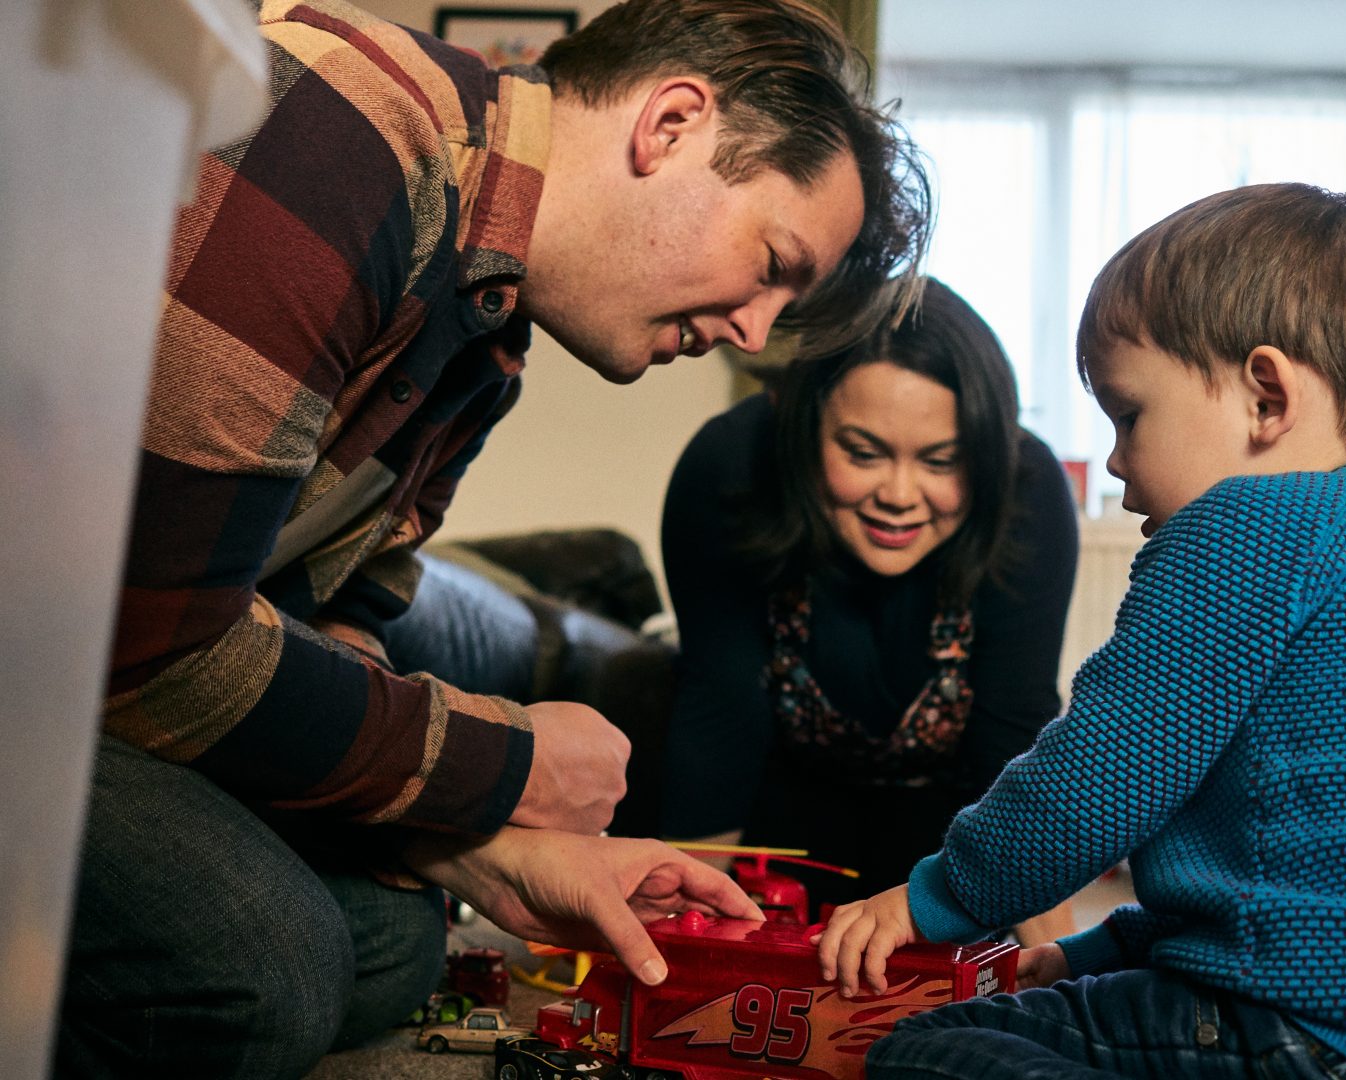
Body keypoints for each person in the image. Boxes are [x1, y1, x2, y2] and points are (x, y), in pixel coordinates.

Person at [56, 0, 930, 1075]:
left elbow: (339, 620)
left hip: (99, 669)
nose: (754, 333)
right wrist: (502, 768)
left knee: (392, 941)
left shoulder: (488, 336)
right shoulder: (349, 129)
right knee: (251, 968)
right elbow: (156, 642)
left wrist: (490, 850)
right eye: (775, 261)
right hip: (50, 668)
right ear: (670, 126)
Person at [815, 184, 1346, 1080]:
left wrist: (937, 900)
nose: (1117, 459)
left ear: (1265, 399)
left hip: (1328, 1036)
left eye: (1130, 415)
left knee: (919, 1054)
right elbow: (1294, 865)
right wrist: (1097, 950)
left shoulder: (1249, 527)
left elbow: (1097, 777)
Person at [659, 278, 1079, 942]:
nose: (900, 495)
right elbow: (718, 711)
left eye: (941, 462)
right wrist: (675, 942)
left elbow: (1014, 730)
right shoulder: (730, 466)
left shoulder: (1028, 491)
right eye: (862, 453)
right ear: (805, 423)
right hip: (785, 833)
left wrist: (1056, 970)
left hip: (948, 853)